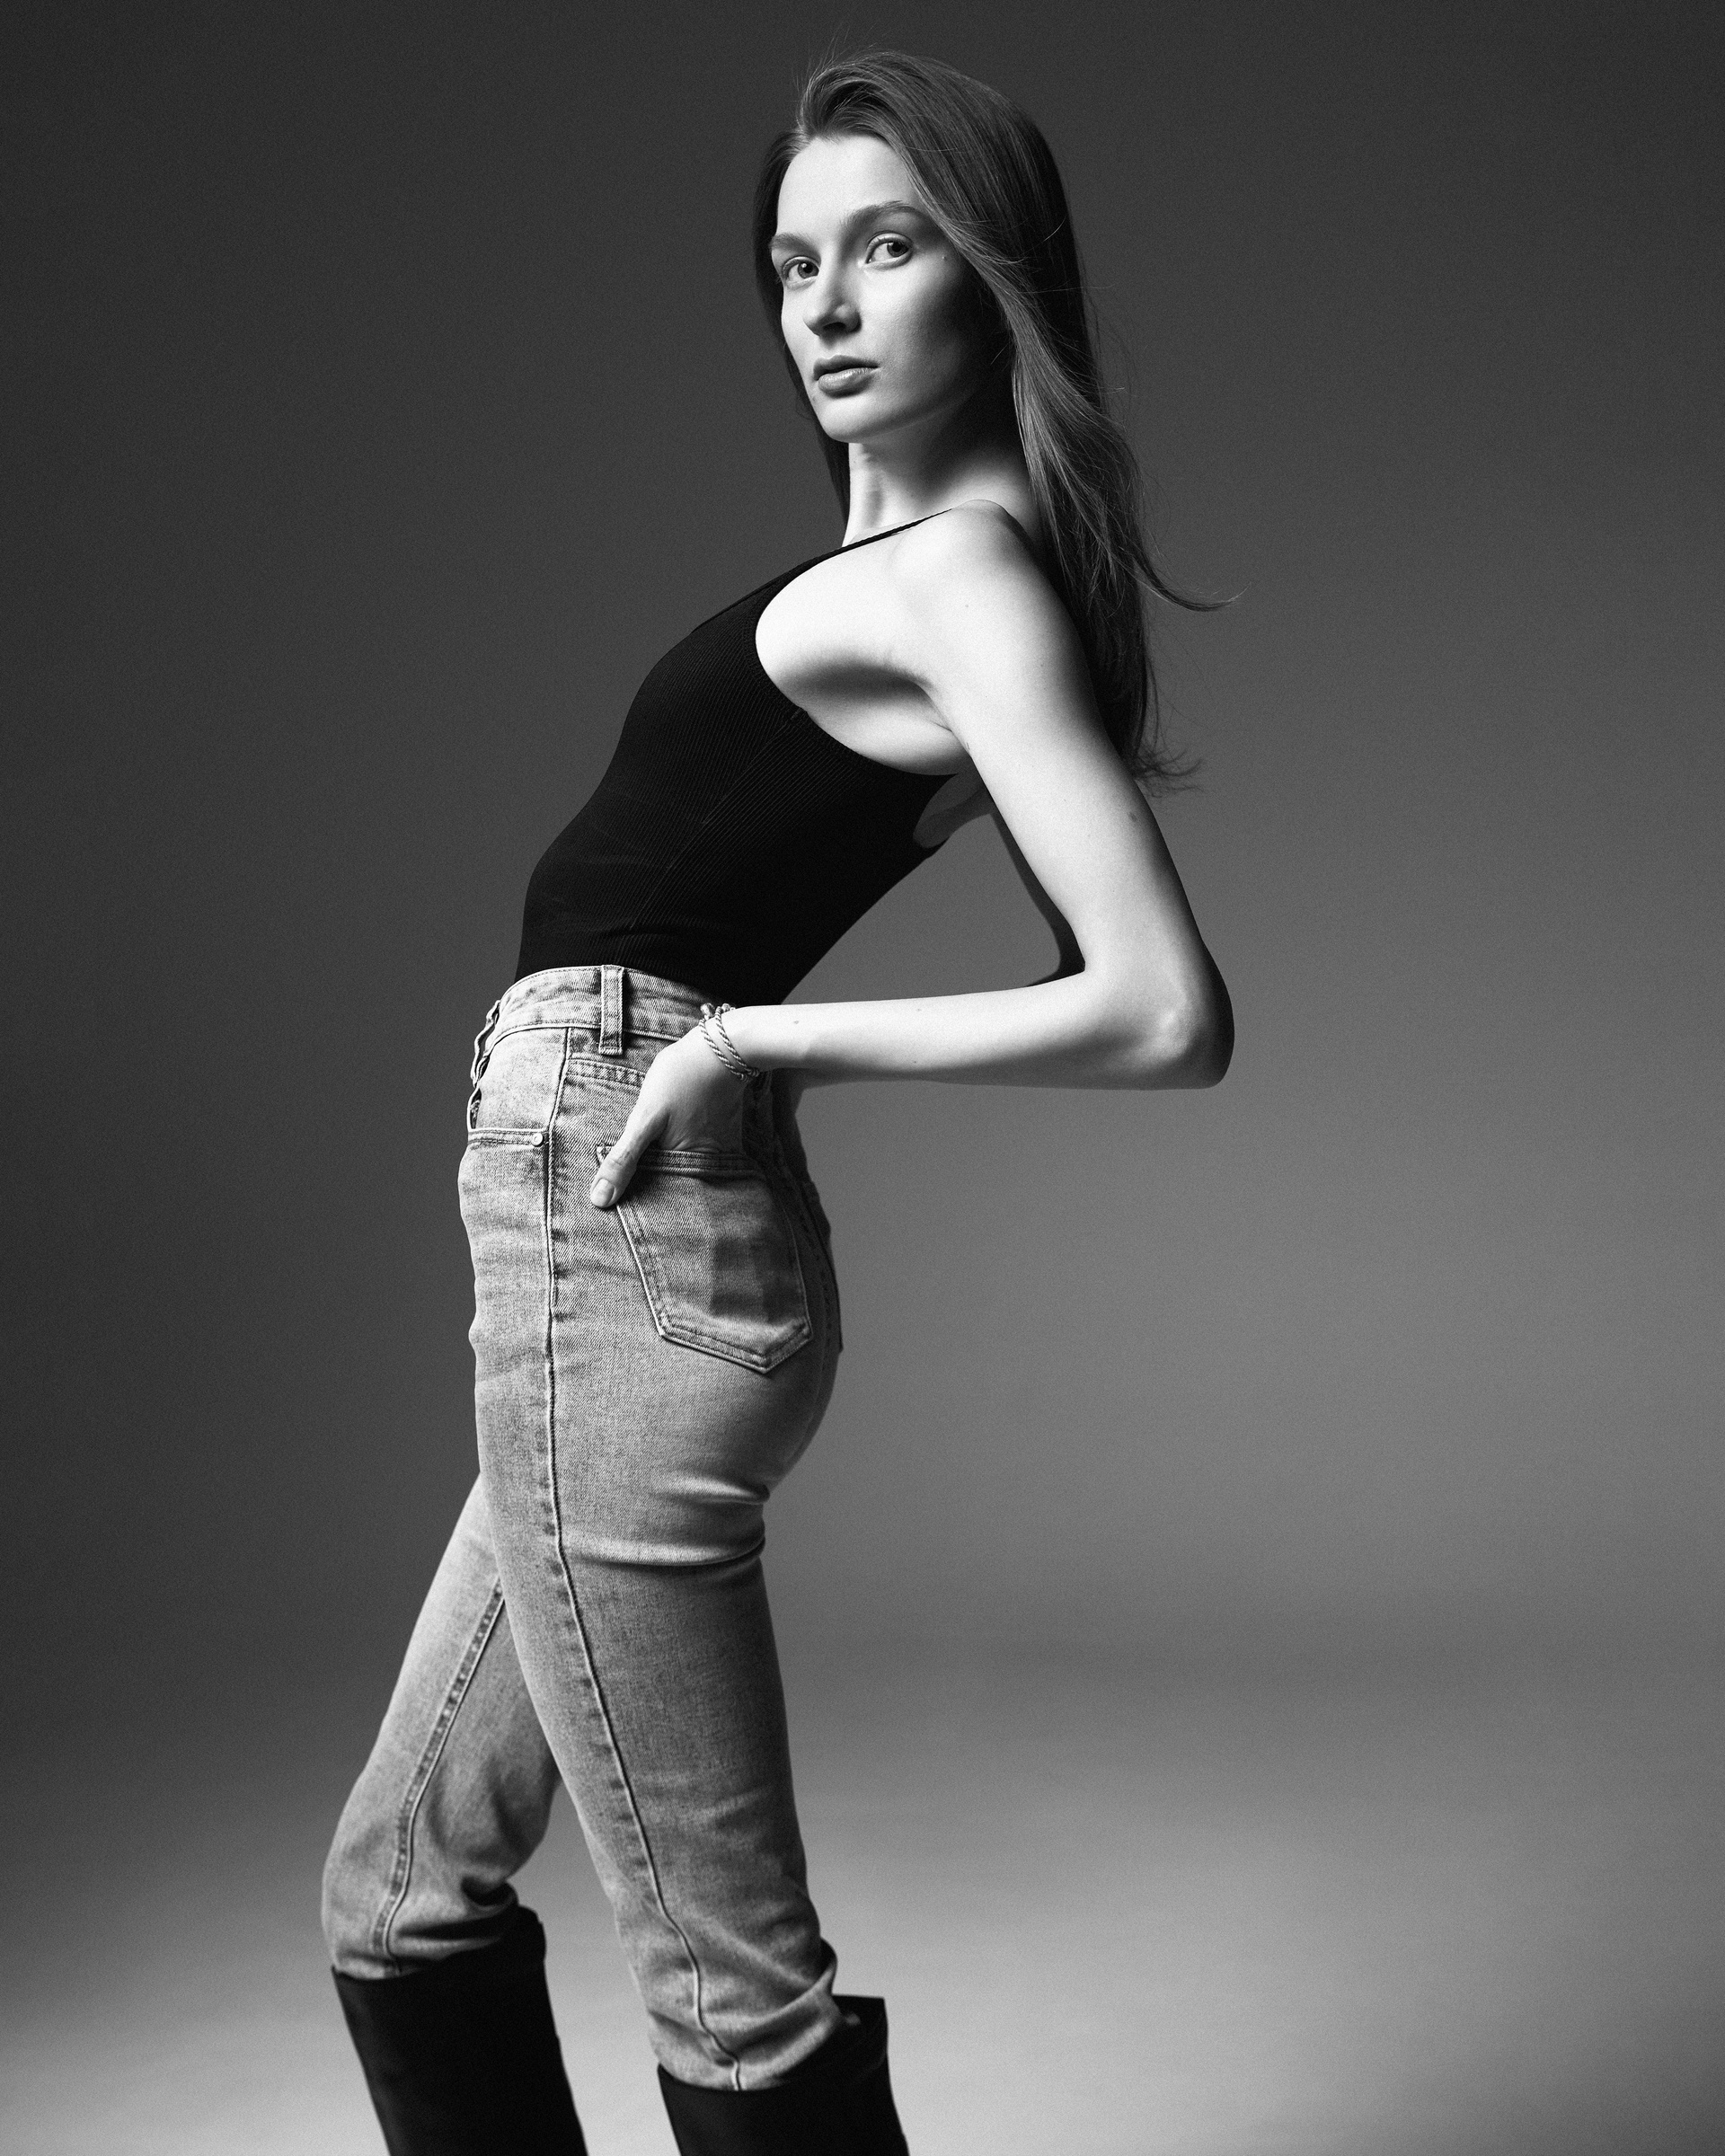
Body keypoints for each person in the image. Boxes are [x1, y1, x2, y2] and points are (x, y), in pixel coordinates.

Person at [321, 49, 1232, 2156]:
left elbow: (1161, 1008)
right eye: (794, 260)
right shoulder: (916, 573)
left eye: (888, 247)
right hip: (604, 1243)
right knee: (400, 1894)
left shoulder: (960, 579)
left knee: (734, 1998)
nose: (824, 302)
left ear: (995, 279)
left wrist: (757, 1040)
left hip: (627, 1235)